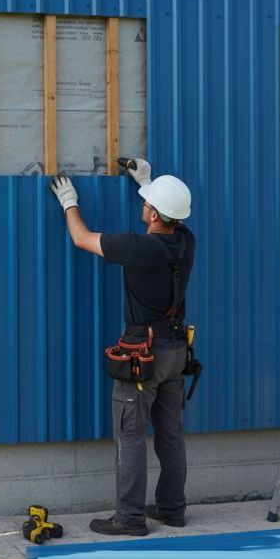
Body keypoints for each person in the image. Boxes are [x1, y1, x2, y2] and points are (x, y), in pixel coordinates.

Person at [50, 160, 195, 537]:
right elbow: (169, 218)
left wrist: (69, 201)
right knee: (170, 434)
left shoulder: (138, 249)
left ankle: (129, 518)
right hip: (177, 351)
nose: (142, 206)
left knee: (130, 435)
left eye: (146, 202)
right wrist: (146, 183)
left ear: (153, 213)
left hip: (143, 355)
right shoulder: (186, 242)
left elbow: (82, 238)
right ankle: (172, 510)